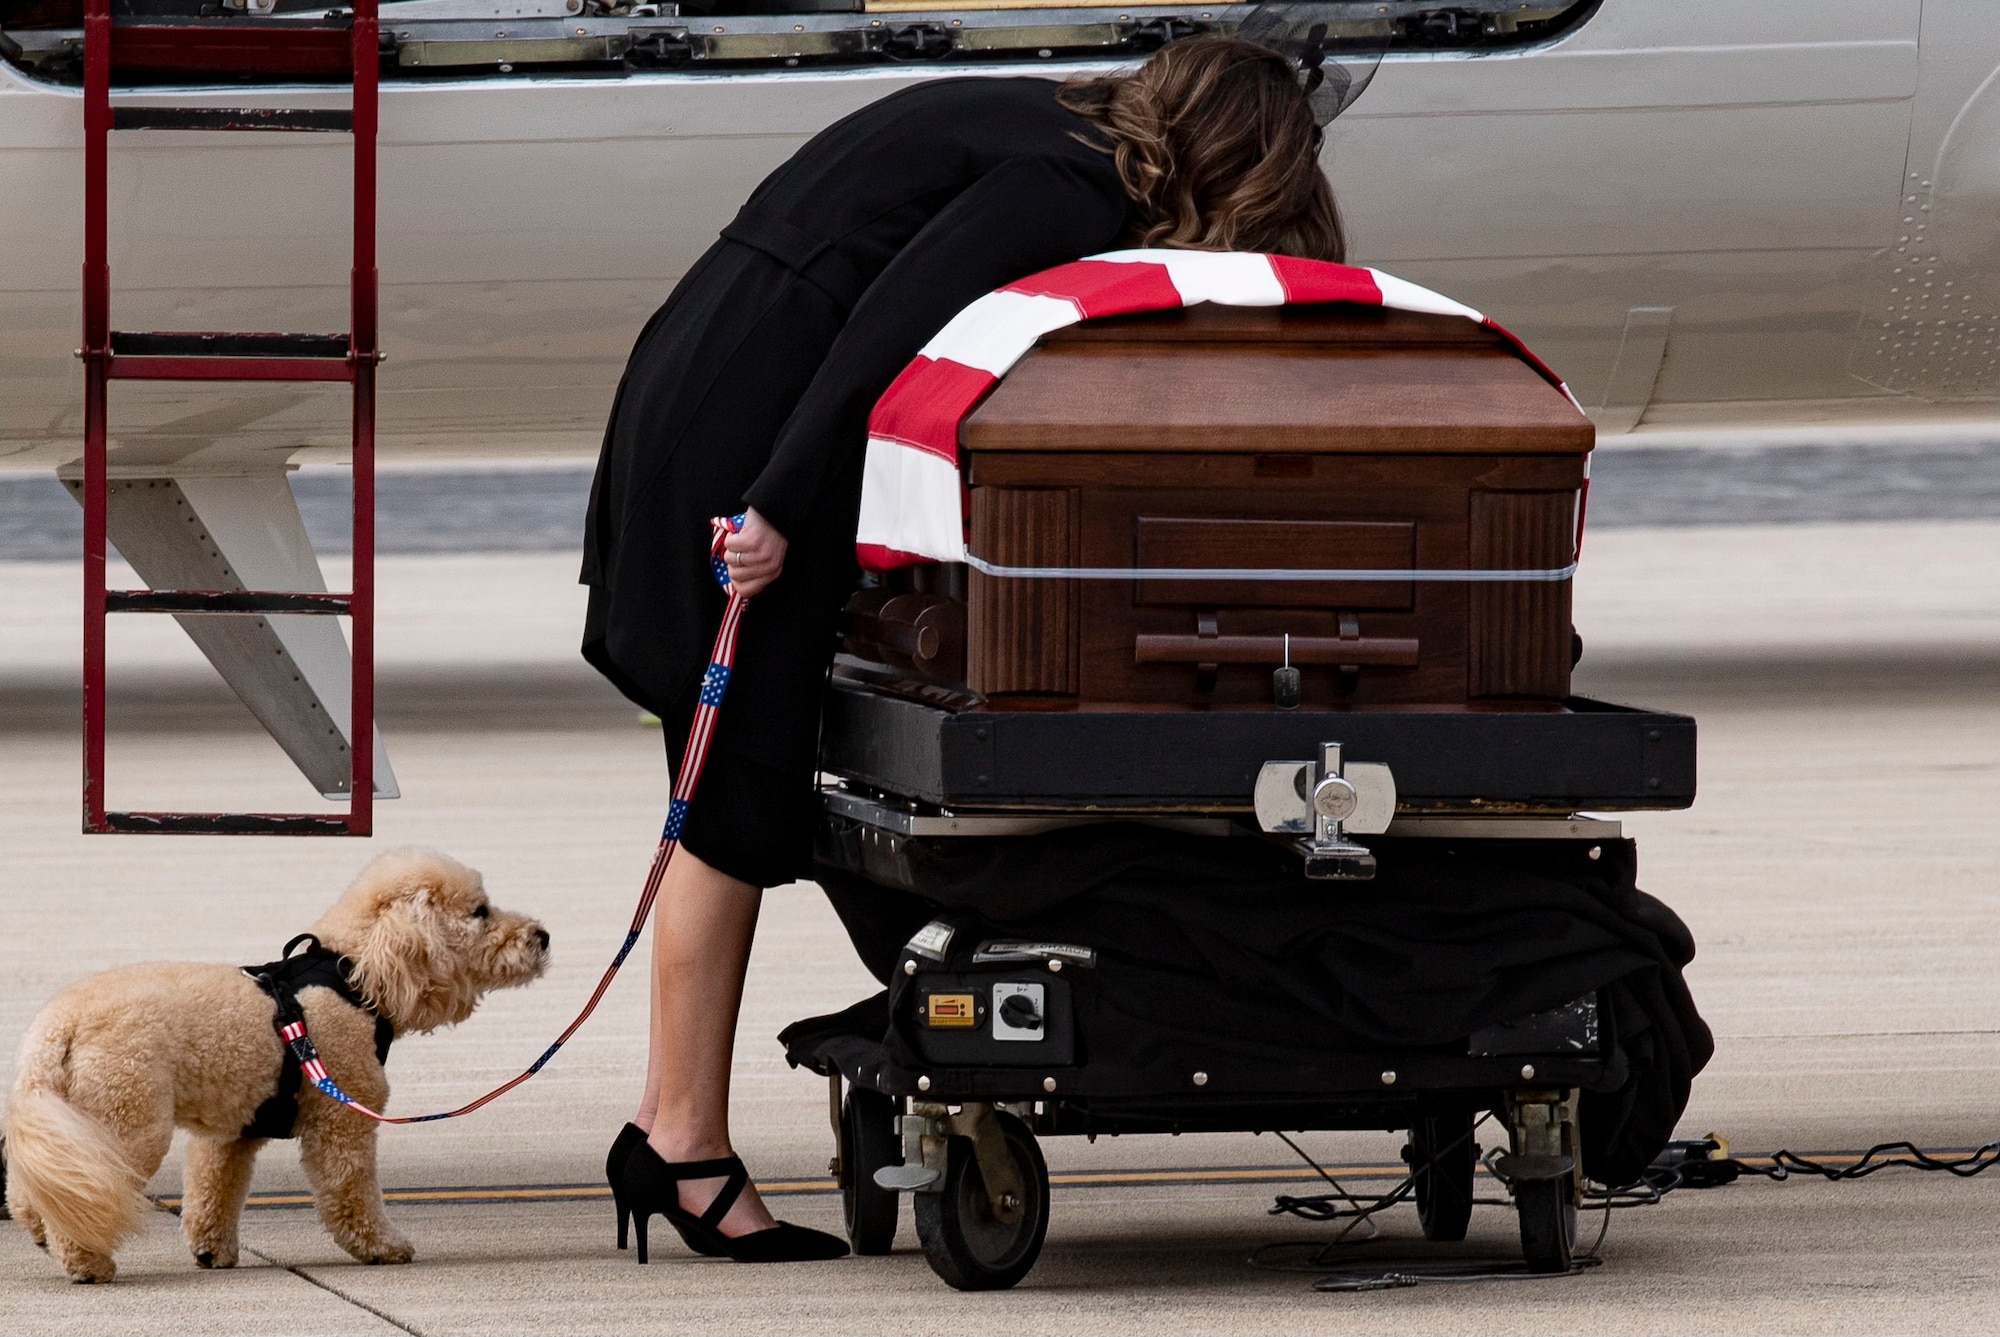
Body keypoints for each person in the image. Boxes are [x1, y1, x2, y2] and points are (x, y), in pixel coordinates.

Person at [579, 34, 1347, 1264]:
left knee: (739, 781)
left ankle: (679, 1127)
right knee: (729, 797)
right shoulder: (1064, 186)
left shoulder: (1048, 124)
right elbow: (879, 333)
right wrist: (775, 503)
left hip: (731, 377)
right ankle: (681, 1143)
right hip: (760, 422)